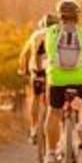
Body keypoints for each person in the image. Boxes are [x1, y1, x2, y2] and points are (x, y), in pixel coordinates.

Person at [40, 0, 82, 163]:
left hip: (56, 79)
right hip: (81, 79)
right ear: (77, 16)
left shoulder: (49, 32)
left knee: (54, 112)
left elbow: (40, 54)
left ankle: (50, 153)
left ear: (59, 15)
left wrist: (42, 72)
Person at [18, 12, 58, 144]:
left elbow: (24, 54)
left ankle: (34, 128)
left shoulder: (35, 35)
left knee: (35, 96)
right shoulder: (59, 34)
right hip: (54, 71)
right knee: (55, 101)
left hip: (37, 70)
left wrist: (22, 69)